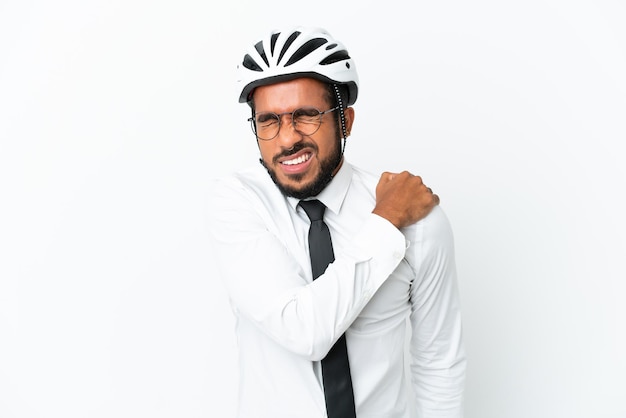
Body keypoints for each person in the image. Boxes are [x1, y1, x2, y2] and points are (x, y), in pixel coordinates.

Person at [207, 26, 466, 418]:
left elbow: (439, 365)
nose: (287, 139)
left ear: (345, 120)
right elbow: (303, 330)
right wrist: (386, 220)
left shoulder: (421, 223)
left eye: (306, 116)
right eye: (268, 121)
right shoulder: (239, 203)